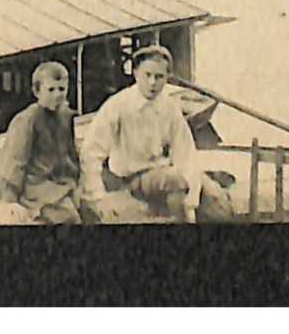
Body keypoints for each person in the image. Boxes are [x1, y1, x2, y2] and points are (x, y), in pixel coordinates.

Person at [79, 45, 233, 223]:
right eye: (147, 75)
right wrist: (97, 196)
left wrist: (195, 194)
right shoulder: (119, 105)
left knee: (218, 204)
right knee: (174, 182)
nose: (152, 83)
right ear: (136, 73)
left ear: (167, 77)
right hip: (131, 177)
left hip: (160, 170)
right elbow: (91, 151)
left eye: (159, 77)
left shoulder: (168, 106)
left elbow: (185, 152)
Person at [0, 60, 82, 225]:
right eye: (51, 90)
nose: (57, 95)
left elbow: (71, 155)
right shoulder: (27, 120)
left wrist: (76, 182)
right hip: (34, 188)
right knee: (69, 218)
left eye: (62, 89)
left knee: (90, 211)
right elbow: (12, 164)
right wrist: (11, 202)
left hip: (61, 183)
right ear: (37, 91)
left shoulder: (66, 116)